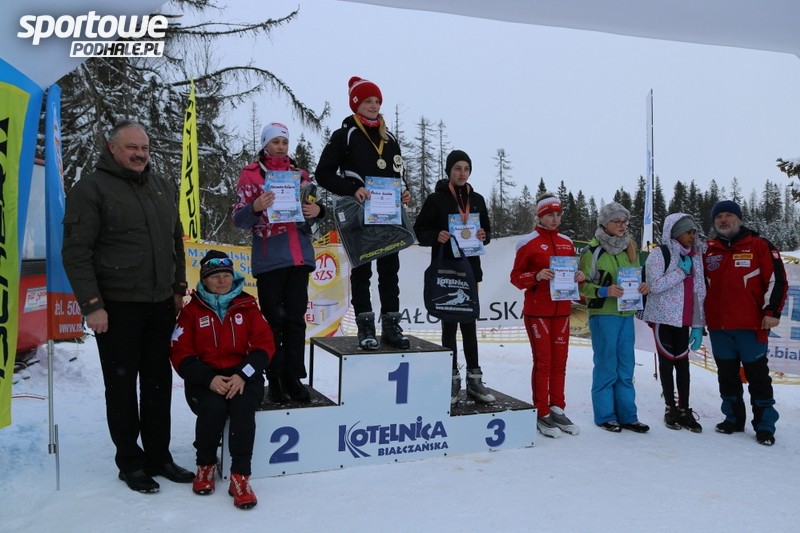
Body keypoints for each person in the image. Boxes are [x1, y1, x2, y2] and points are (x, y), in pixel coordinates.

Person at [62, 120, 194, 493]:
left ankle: (159, 457)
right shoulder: (91, 189)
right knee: (121, 387)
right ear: (113, 148)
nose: (140, 154)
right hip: (117, 307)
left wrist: (178, 287)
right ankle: (130, 462)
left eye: (145, 148)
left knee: (158, 383)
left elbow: (176, 241)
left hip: (159, 305)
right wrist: (92, 305)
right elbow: (76, 252)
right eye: (132, 147)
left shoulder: (161, 186)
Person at [170, 250, 275, 509]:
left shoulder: (248, 306)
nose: (222, 280)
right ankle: (205, 465)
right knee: (213, 409)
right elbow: (180, 352)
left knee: (242, 410)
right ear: (204, 280)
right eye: (215, 276)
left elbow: (265, 346)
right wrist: (209, 379)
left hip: (244, 377)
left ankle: (240, 476)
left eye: (226, 275)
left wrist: (243, 374)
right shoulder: (191, 311)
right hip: (206, 379)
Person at [316, 76, 412, 350]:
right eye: (368, 101)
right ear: (355, 104)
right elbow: (323, 174)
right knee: (362, 273)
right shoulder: (344, 135)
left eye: (377, 101)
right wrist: (352, 188)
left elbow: (397, 174)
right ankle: (365, 328)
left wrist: (404, 192)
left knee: (390, 273)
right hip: (359, 216)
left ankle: (391, 328)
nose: (374, 105)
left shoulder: (389, 138)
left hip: (388, 215)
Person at [232, 122, 324, 404]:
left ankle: (294, 378)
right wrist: (255, 207)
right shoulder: (250, 175)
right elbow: (239, 219)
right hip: (270, 259)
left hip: (298, 257)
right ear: (265, 145)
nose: (281, 147)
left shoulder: (301, 175)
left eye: (284, 142)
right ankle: (274, 379)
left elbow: (314, 212)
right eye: (275, 142)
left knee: (295, 321)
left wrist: (317, 210)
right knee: (273, 323)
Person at [703, 200, 788, 446]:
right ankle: (733, 419)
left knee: (758, 377)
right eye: (718, 217)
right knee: (727, 376)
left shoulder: (759, 245)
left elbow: (778, 280)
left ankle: (765, 425)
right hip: (719, 327)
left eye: (728, 215)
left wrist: (772, 311)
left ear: (739, 219)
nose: (723, 220)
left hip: (752, 326)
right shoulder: (708, 250)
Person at [414, 150, 494, 404]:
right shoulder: (436, 199)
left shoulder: (477, 199)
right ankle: (450, 379)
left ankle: (475, 380)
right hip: (446, 269)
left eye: (466, 169)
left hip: (470, 270)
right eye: (457, 168)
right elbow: (419, 231)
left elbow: (487, 231)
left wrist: (483, 235)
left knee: (469, 324)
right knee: (449, 324)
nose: (462, 173)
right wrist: (435, 235)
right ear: (449, 170)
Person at [511, 193, 585, 437]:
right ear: (540, 216)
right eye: (550, 215)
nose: (555, 219)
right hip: (538, 312)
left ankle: (557, 408)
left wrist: (579, 277)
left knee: (559, 362)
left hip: (561, 311)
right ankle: (541, 412)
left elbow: (573, 278)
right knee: (543, 362)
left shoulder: (567, 242)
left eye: (558, 214)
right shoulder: (528, 243)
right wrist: (536, 276)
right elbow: (515, 277)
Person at [578, 201, 650, 433]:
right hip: (603, 315)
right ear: (604, 223)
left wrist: (641, 288)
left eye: (625, 221)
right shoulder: (592, 250)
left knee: (626, 367)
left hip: (626, 314)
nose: (622, 225)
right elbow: (581, 287)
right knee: (606, 365)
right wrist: (604, 291)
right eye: (616, 221)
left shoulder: (630, 247)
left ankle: (628, 416)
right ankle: (606, 415)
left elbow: (635, 278)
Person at [641, 213, 705, 432]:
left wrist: (698, 324)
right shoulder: (660, 254)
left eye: (694, 232)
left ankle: (685, 409)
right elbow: (654, 286)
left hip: (684, 319)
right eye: (688, 232)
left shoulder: (695, 256)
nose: (692, 236)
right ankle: (670, 408)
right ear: (676, 233)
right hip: (663, 318)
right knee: (667, 364)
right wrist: (681, 272)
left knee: (683, 365)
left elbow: (699, 291)